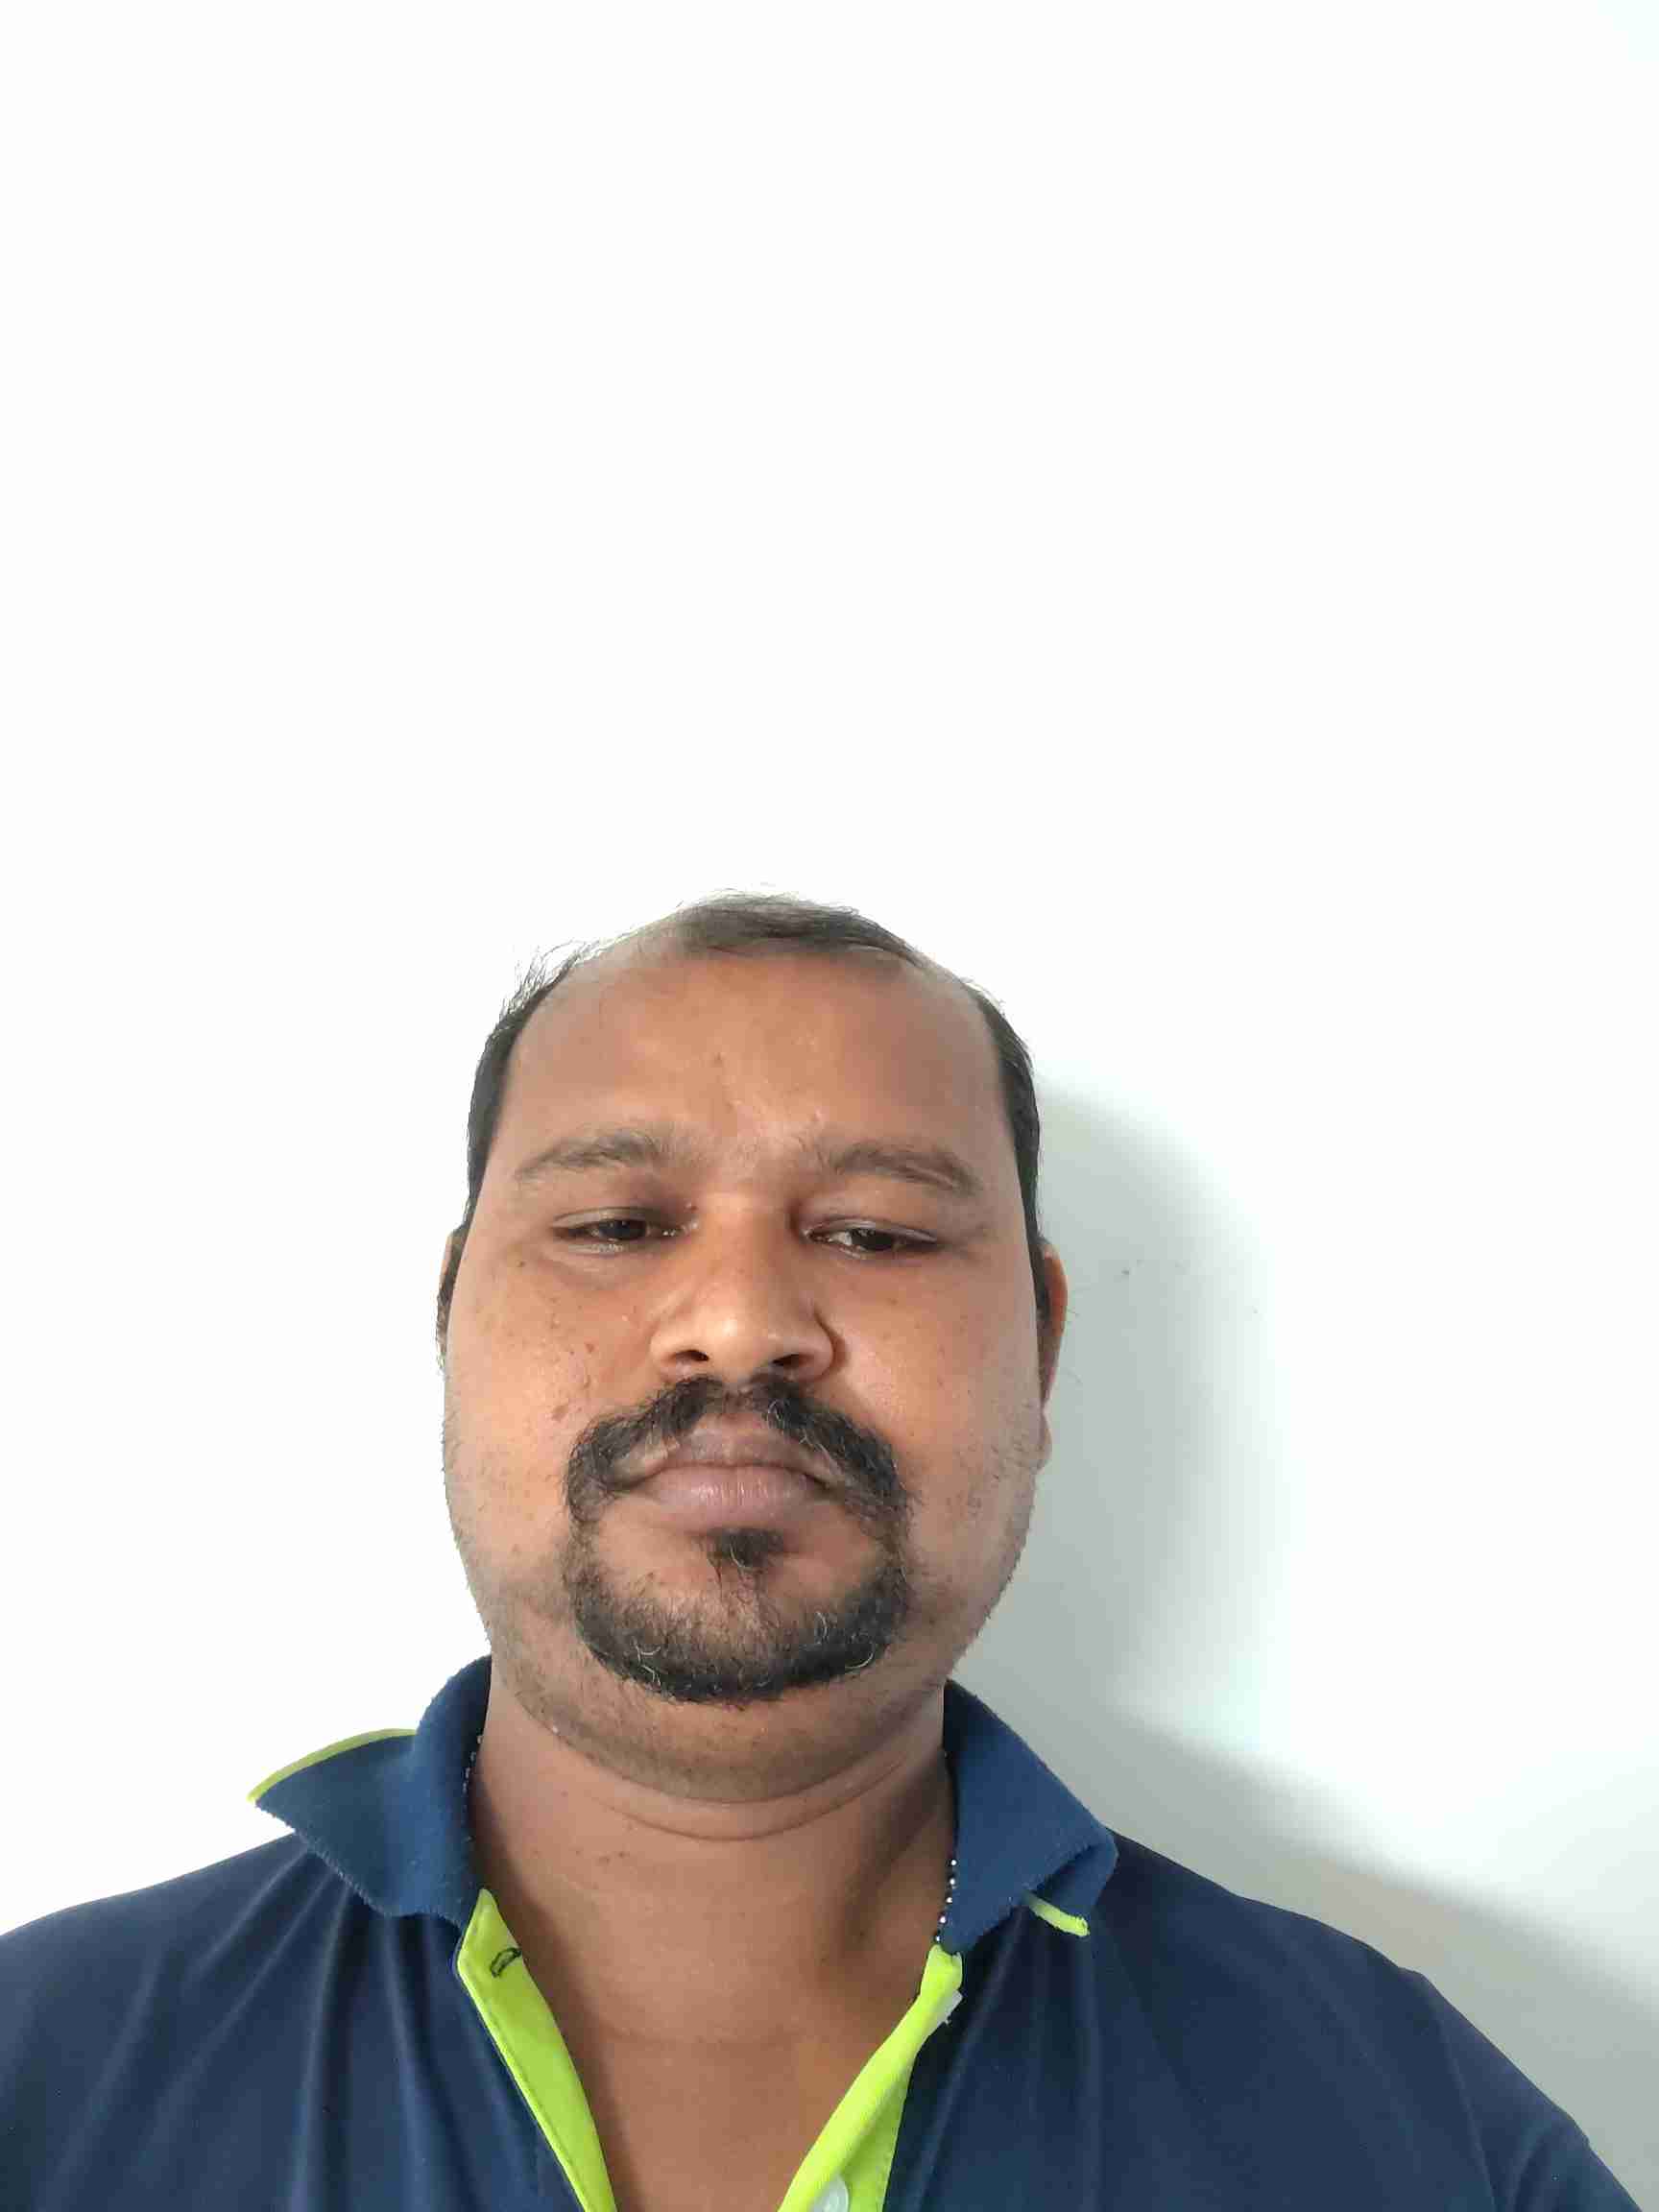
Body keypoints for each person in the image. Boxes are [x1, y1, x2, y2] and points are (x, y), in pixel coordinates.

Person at [0, 891, 1640, 2212]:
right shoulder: (44, 2078)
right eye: (617, 1225)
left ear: (1042, 1348)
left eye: (876, 1233)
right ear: (449, 1319)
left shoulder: (1405, 2129)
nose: (737, 1323)